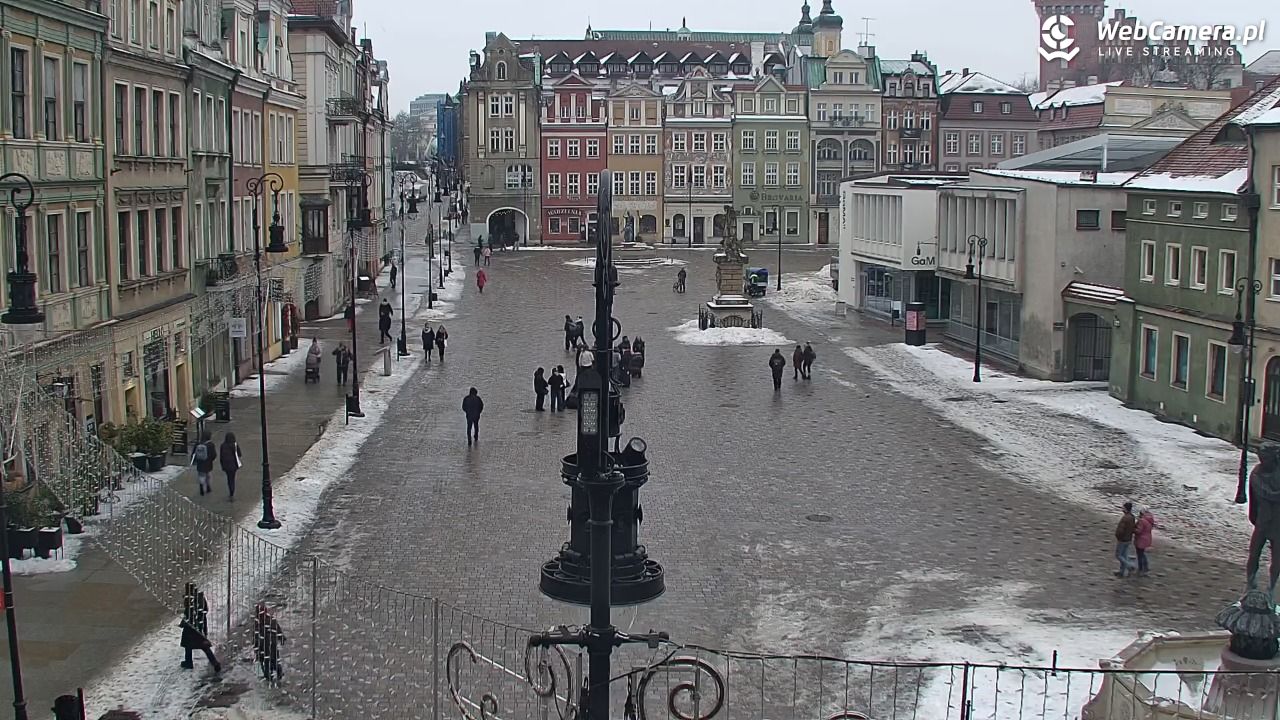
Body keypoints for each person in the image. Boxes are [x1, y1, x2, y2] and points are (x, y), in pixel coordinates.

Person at [179, 583, 221, 673]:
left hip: (191, 626)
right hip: (201, 624)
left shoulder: (189, 599)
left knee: (188, 644)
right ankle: (214, 662)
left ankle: (189, 662)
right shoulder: (200, 598)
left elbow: (188, 613)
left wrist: (184, 622)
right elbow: (205, 610)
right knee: (203, 645)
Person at [1114, 501, 1137, 578]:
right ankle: (1121, 572)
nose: (1122, 508)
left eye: (1123, 507)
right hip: (1129, 539)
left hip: (1122, 540)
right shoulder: (1132, 517)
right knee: (1124, 555)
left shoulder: (1125, 518)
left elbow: (1120, 530)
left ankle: (1129, 566)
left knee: (1118, 555)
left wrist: (1117, 536)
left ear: (1126, 508)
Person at [191, 431, 217, 496]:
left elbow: (194, 453)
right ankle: (208, 486)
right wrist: (211, 459)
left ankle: (201, 486)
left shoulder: (198, 443)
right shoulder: (211, 444)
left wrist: (195, 460)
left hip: (200, 463)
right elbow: (214, 455)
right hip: (208, 463)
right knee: (208, 474)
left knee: (201, 475)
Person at [1134, 507, 1157, 576]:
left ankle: (1141, 569)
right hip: (1147, 538)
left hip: (1141, 539)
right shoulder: (1150, 519)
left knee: (1140, 555)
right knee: (1142, 554)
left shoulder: (1142, 520)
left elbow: (1139, 531)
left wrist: (1133, 529)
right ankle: (1146, 567)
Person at [219, 432, 241, 499]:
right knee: (232, 478)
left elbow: (221, 457)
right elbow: (239, 454)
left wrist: (222, 465)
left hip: (226, 465)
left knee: (229, 478)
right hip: (234, 465)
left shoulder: (223, 445)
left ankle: (230, 490)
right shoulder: (235, 445)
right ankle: (232, 491)